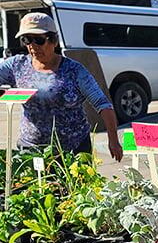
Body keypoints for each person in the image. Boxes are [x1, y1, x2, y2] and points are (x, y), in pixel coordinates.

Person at [0, 13, 122, 161]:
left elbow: (103, 105)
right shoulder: (16, 65)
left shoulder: (75, 70)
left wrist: (113, 140)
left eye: (39, 40)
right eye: (27, 40)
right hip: (31, 149)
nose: (32, 46)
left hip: (73, 150)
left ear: (54, 41)